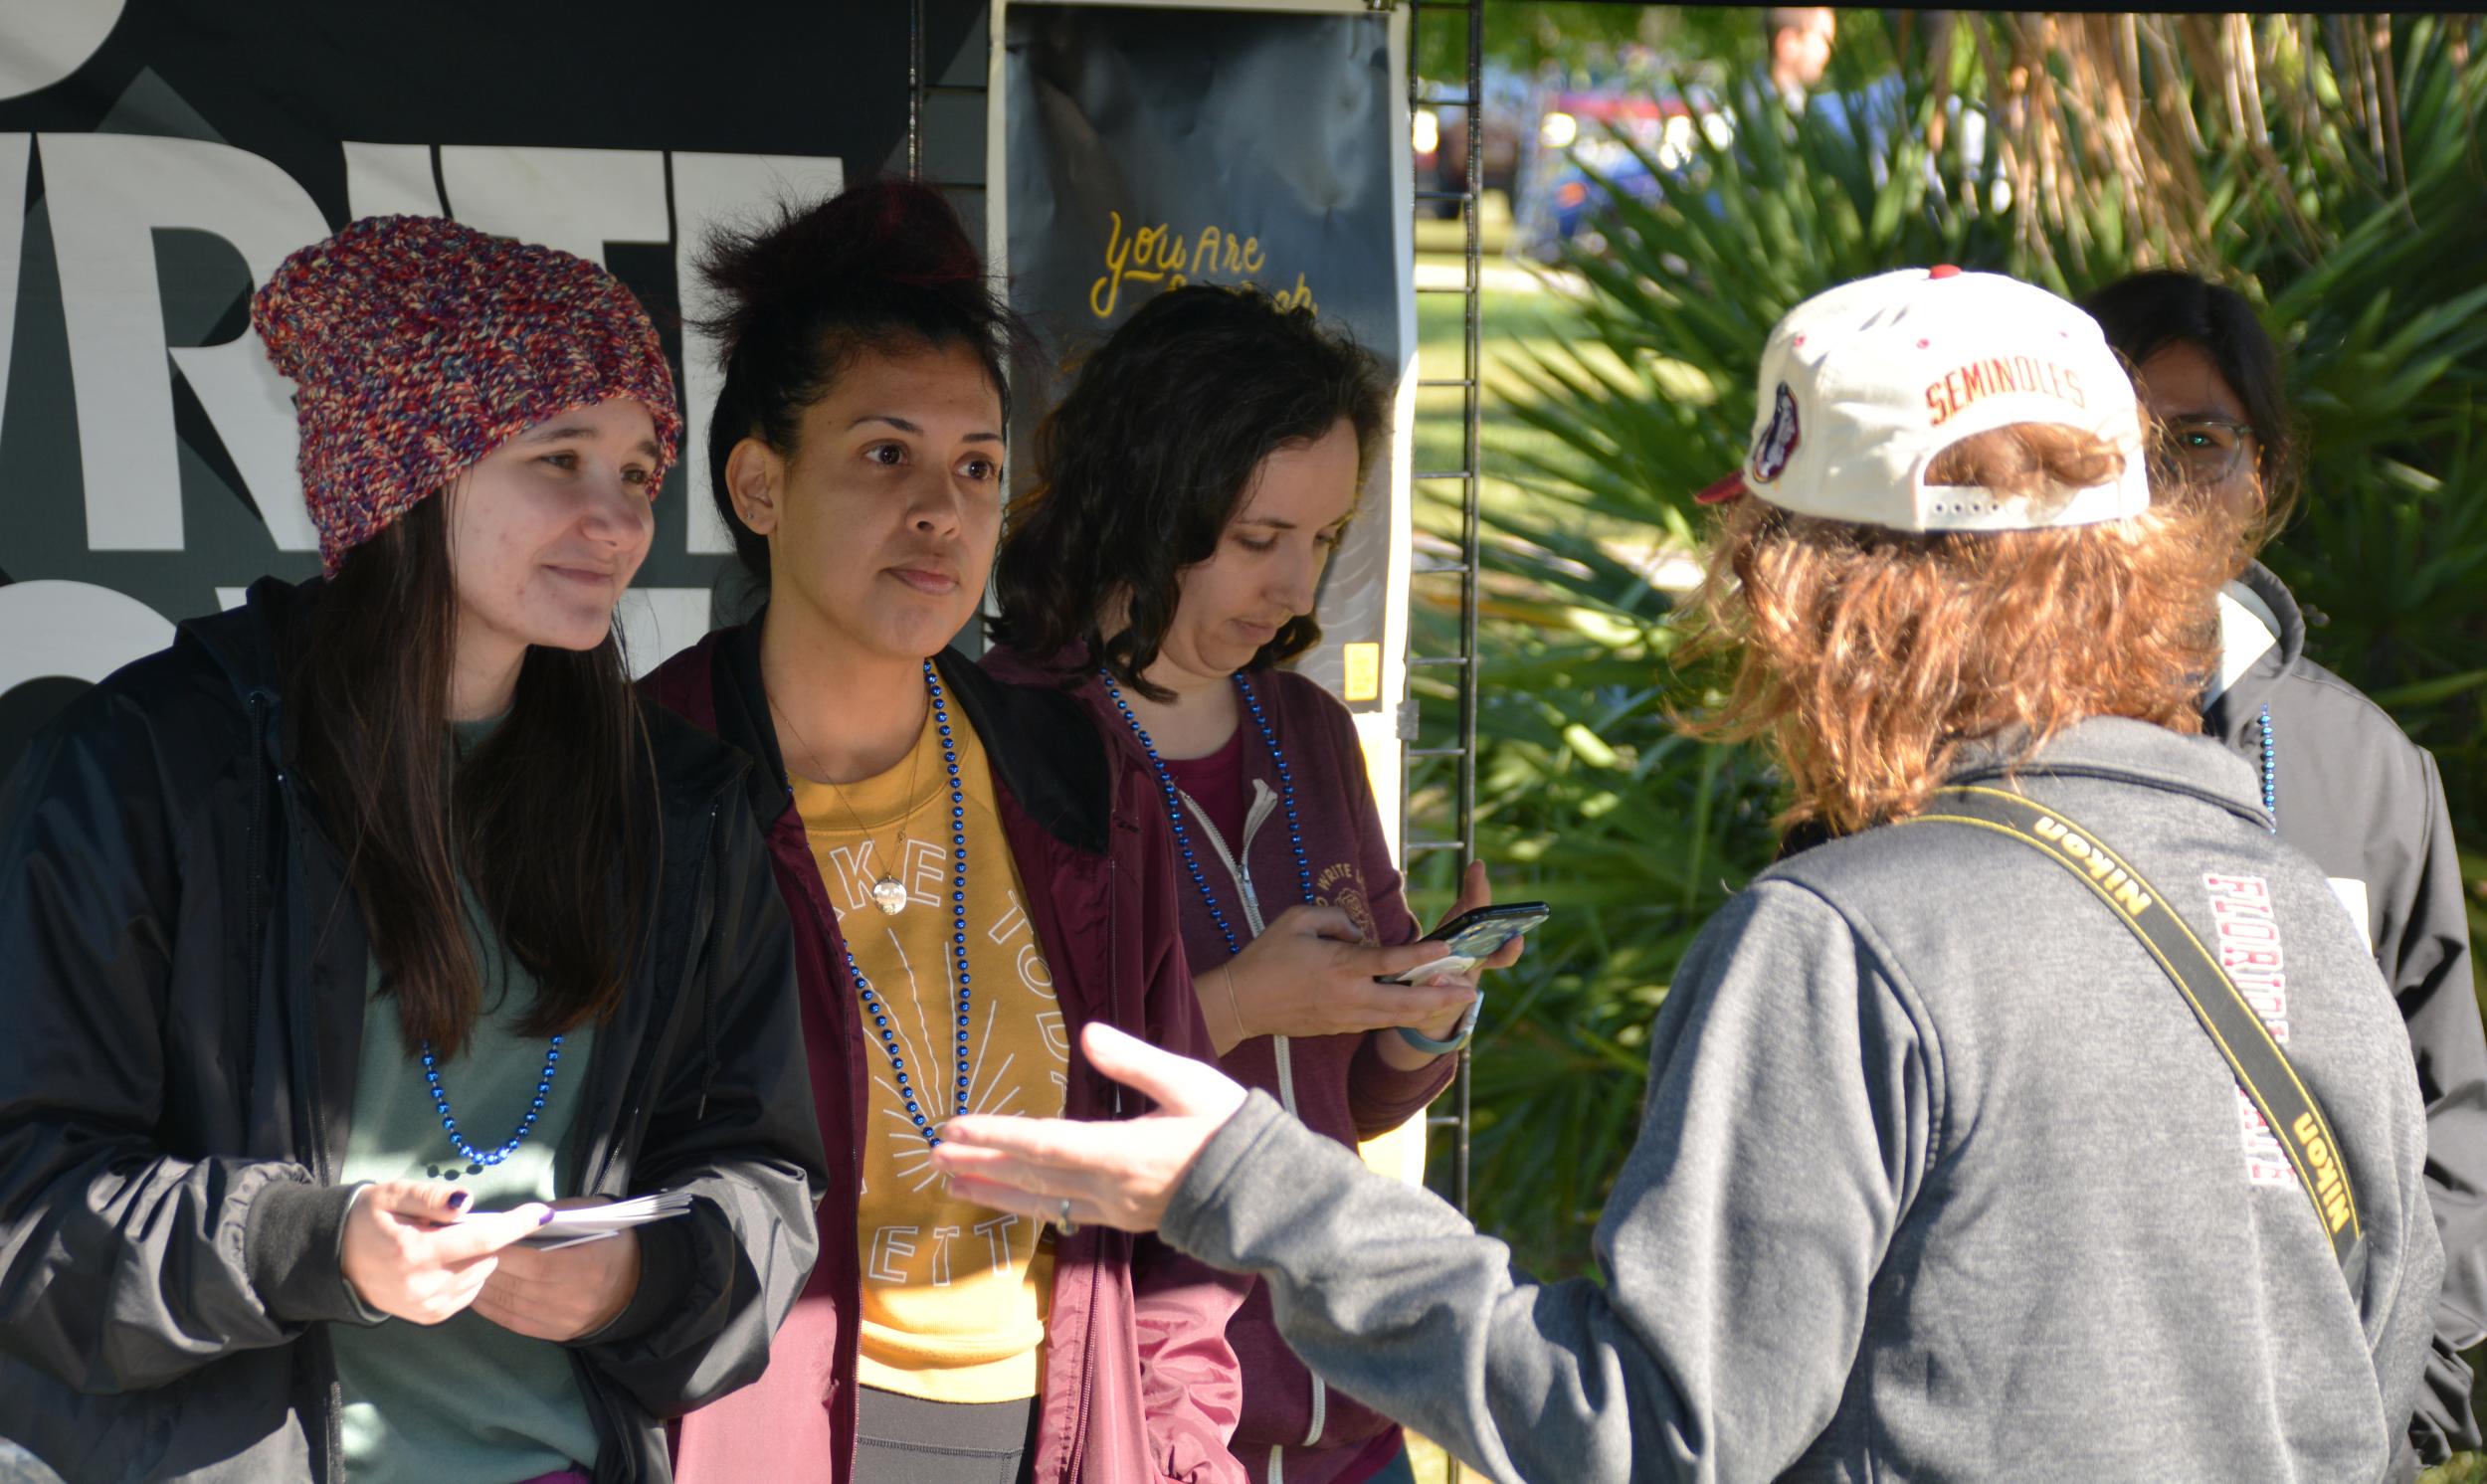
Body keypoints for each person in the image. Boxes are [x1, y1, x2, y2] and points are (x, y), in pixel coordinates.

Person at [929, 268, 2444, 1482]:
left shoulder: (1850, 941)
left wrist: (1251, 1184)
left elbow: (1648, 1429)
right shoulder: (2294, 911)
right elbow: (2366, 1385)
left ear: (1839, 597)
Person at [0, 215, 828, 1483]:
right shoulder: (147, 768)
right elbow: (26, 1203)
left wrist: (638, 1280)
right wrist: (311, 1245)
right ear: (404, 474)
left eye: (642, 473)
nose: (616, 522)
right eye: (560, 458)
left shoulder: (684, 804)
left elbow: (763, 1179)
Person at [642, 182, 1246, 1484]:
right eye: (883, 453)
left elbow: (1174, 1203)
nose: (940, 510)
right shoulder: (639, 778)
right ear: (758, 481)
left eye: (977, 466)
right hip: (756, 1440)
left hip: (1065, 1435)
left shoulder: (1073, 768)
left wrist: (1183, 1455)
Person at [987, 283, 1523, 1484]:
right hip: (1138, 1419)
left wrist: (1425, 1009)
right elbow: (996, 1113)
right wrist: (1237, 1003)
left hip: (1349, 1412)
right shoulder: (1013, 740)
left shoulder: (1309, 729)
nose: (1297, 587)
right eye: (1256, 538)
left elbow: (1353, 1104)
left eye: (1324, 539)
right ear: (1147, 498)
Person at [2084, 267, 2487, 1474]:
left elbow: (2451, 1110)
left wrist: (2411, 1391)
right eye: (2119, 439)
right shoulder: (1955, 749)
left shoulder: (2367, 771)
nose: (2157, 482)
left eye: (2198, 440)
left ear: (2260, 474)